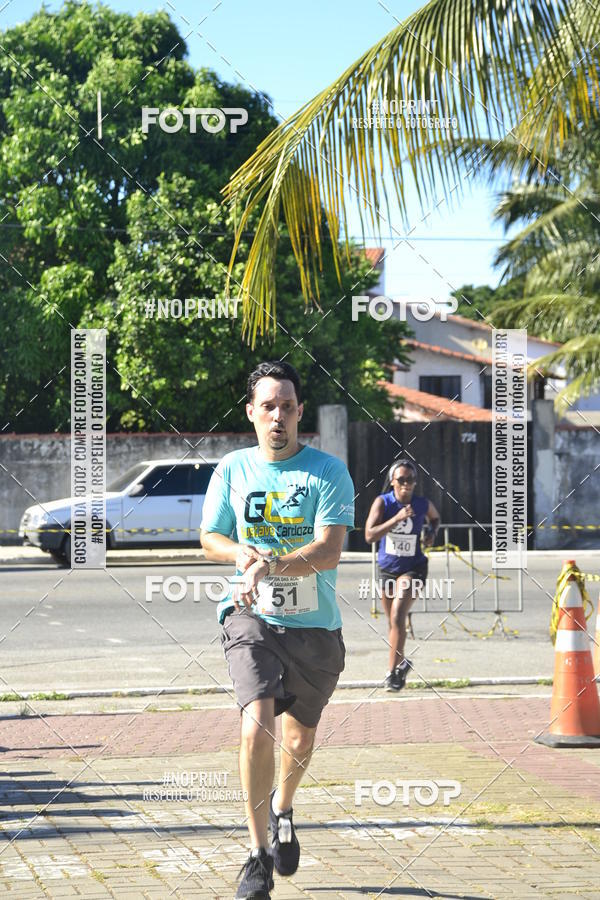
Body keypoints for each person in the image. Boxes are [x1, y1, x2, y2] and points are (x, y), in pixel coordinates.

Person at [200, 360, 354, 900]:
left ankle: (283, 808)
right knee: (256, 724)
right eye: (268, 406)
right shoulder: (233, 469)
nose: (278, 416)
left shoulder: (328, 472)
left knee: (300, 737)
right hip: (251, 616)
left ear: (299, 412)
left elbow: (329, 550)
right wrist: (240, 554)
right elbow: (210, 537)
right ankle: (257, 854)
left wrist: (272, 565)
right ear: (251, 412)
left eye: (287, 406)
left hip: (315, 628)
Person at [364, 459, 440, 691]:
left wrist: (431, 533)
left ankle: (391, 673)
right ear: (392, 481)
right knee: (393, 623)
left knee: (398, 616)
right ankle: (402, 663)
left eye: (411, 479)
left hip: (413, 568)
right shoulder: (383, 502)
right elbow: (369, 535)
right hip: (387, 569)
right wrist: (396, 518)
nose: (406, 483)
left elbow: (435, 518)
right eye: (402, 479)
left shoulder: (421, 503)